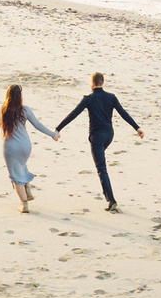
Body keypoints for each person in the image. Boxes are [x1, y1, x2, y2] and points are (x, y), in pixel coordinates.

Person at [56, 72, 144, 211]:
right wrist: (137, 128)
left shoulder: (88, 99)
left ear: (92, 83)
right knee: (100, 161)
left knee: (101, 168)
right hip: (109, 135)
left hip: (96, 136)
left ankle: (111, 200)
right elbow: (123, 113)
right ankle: (109, 195)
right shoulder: (111, 97)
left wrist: (58, 128)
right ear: (102, 82)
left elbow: (73, 114)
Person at [0, 83, 58, 213]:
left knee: (15, 176)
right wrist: (52, 134)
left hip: (10, 146)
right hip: (25, 146)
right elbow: (37, 125)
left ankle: (24, 204)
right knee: (21, 166)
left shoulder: (3, 110)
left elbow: (1, 125)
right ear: (20, 96)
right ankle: (27, 188)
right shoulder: (25, 110)